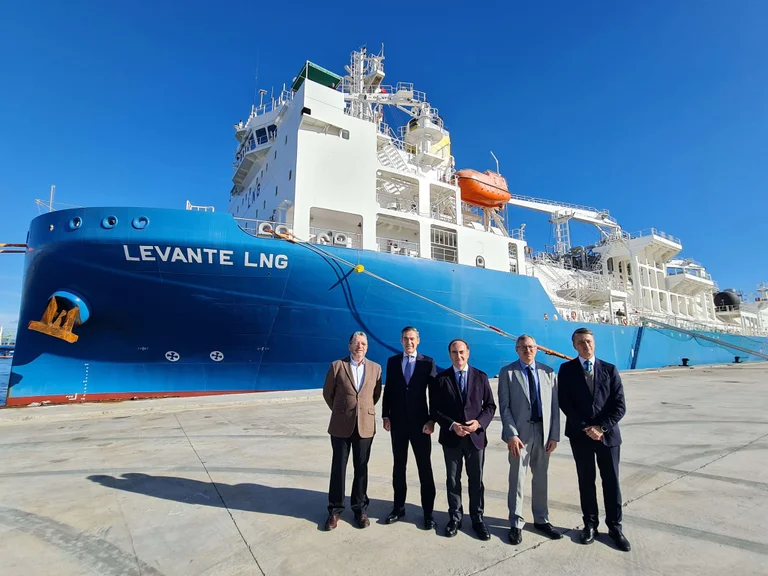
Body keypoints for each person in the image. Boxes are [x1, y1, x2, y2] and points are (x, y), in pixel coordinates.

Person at [558, 328, 631, 551]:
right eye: (580, 343)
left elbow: (619, 405)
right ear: (574, 346)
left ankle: (615, 527)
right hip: (581, 436)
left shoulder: (609, 369)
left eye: (589, 341)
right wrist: (586, 427)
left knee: (611, 482)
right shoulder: (566, 369)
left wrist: (601, 427)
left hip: (607, 436)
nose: (586, 346)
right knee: (586, 481)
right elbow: (565, 403)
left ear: (594, 343)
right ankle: (590, 524)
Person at [498, 334, 562, 545]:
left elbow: (554, 408)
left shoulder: (549, 373)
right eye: (523, 347)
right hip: (520, 436)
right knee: (517, 479)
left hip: (543, 435)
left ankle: (541, 520)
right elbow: (504, 407)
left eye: (531, 347)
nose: (528, 351)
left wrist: (554, 435)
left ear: (537, 349)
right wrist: (512, 434)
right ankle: (516, 522)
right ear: (517, 350)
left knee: (541, 478)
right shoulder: (508, 373)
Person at [430, 339, 496, 540]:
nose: (458, 356)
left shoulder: (481, 377)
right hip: (452, 438)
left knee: (476, 480)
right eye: (453, 352)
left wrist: (478, 423)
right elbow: (435, 410)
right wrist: (452, 425)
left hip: (475, 438)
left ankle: (477, 519)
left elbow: (490, 407)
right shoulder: (440, 379)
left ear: (468, 353)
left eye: (461, 352)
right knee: (452, 480)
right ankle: (455, 517)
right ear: (449, 354)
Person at [322, 331, 383, 531]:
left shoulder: (376, 368)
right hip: (341, 425)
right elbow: (327, 393)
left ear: (367, 347)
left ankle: (360, 509)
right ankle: (335, 510)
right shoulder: (337, 366)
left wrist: (361, 411)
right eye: (356, 343)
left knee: (361, 469)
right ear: (349, 346)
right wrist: (341, 411)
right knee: (338, 468)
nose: (360, 347)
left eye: (363, 344)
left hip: (365, 426)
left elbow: (375, 395)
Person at [381, 326, 438, 530]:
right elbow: (389, 391)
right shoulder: (393, 361)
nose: (409, 342)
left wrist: (432, 420)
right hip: (397, 424)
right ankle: (398, 508)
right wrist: (385, 415)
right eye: (405, 338)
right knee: (399, 467)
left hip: (421, 425)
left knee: (425, 468)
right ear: (401, 340)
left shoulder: (427, 362)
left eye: (412, 338)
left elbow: (434, 395)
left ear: (418, 340)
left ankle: (428, 513)